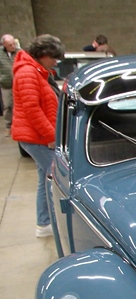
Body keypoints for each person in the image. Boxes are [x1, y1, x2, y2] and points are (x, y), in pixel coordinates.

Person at [11, 34, 64, 238]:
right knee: (57, 178)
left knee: (46, 179)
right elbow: (32, 109)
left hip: (37, 136)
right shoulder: (27, 72)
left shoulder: (36, 71)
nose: (55, 62)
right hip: (36, 138)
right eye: (54, 58)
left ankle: (44, 222)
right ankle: (50, 222)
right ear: (43, 54)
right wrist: (50, 136)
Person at [1, 34, 19, 136]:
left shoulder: (19, 52)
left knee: (19, 106)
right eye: (10, 45)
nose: (13, 46)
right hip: (6, 84)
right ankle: (8, 126)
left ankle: (18, 126)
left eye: (14, 44)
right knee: (8, 105)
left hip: (19, 84)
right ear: (4, 45)